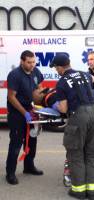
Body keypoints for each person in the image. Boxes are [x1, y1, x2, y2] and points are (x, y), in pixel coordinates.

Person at [50, 54, 94, 200]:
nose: (56, 70)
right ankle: (92, 192)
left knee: (76, 154)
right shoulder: (84, 74)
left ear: (60, 67)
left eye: (56, 68)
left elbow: (63, 108)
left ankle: (79, 191)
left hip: (78, 116)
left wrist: (55, 105)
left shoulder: (61, 82)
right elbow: (93, 79)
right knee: (92, 153)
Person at [6, 50, 44, 185]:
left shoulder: (36, 72)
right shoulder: (15, 75)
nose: (32, 65)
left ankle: (29, 166)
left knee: (32, 141)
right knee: (16, 144)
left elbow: (40, 88)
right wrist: (24, 113)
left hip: (31, 110)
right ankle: (10, 173)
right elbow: (11, 97)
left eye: (33, 62)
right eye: (29, 62)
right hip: (17, 113)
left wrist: (40, 106)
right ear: (22, 61)